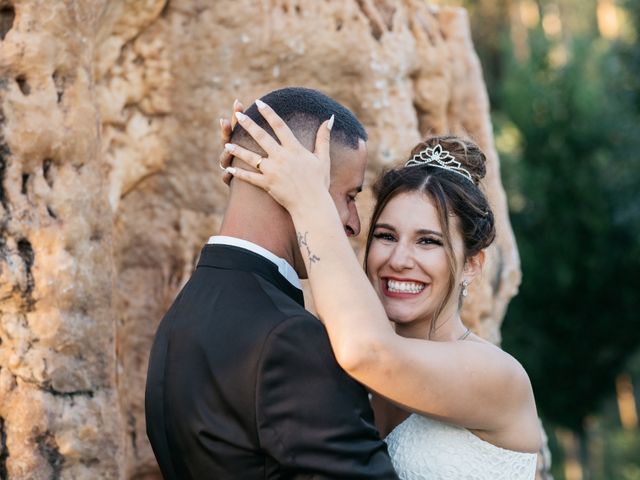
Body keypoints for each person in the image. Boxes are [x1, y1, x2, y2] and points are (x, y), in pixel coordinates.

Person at [225, 100, 543, 479]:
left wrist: (309, 201)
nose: (399, 259)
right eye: (386, 236)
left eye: (428, 241)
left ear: (471, 265)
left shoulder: (499, 377)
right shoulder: (343, 362)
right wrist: (252, 190)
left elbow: (371, 353)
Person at [144, 87, 399, 479]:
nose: (353, 223)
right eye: (348, 196)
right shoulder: (290, 341)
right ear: (297, 182)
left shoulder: (177, 321)